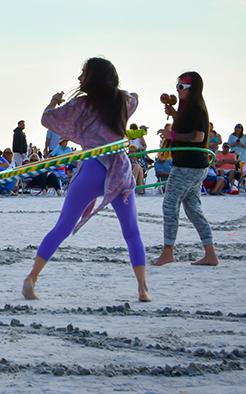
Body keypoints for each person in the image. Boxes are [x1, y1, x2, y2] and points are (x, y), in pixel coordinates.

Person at [23, 57, 150, 302]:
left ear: (95, 77)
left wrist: (53, 101)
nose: (79, 78)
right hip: (119, 169)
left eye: (84, 73)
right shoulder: (124, 101)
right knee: (132, 232)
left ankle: (32, 278)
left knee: (63, 226)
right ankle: (143, 289)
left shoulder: (80, 105)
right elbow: (135, 96)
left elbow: (47, 118)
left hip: (93, 168)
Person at [153, 71, 218, 267]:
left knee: (170, 204)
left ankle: (168, 252)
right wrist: (174, 114)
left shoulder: (196, 108)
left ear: (193, 89)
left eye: (182, 87)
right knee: (193, 210)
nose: (178, 91)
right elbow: (187, 125)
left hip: (188, 165)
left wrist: (170, 135)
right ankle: (210, 254)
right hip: (194, 165)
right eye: (177, 86)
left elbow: (198, 137)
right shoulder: (189, 109)